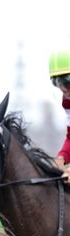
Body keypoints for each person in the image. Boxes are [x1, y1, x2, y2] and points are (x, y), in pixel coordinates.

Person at [49, 48, 70, 185]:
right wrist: (62, 158)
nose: (65, 90)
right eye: (58, 83)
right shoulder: (67, 101)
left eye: (67, 82)